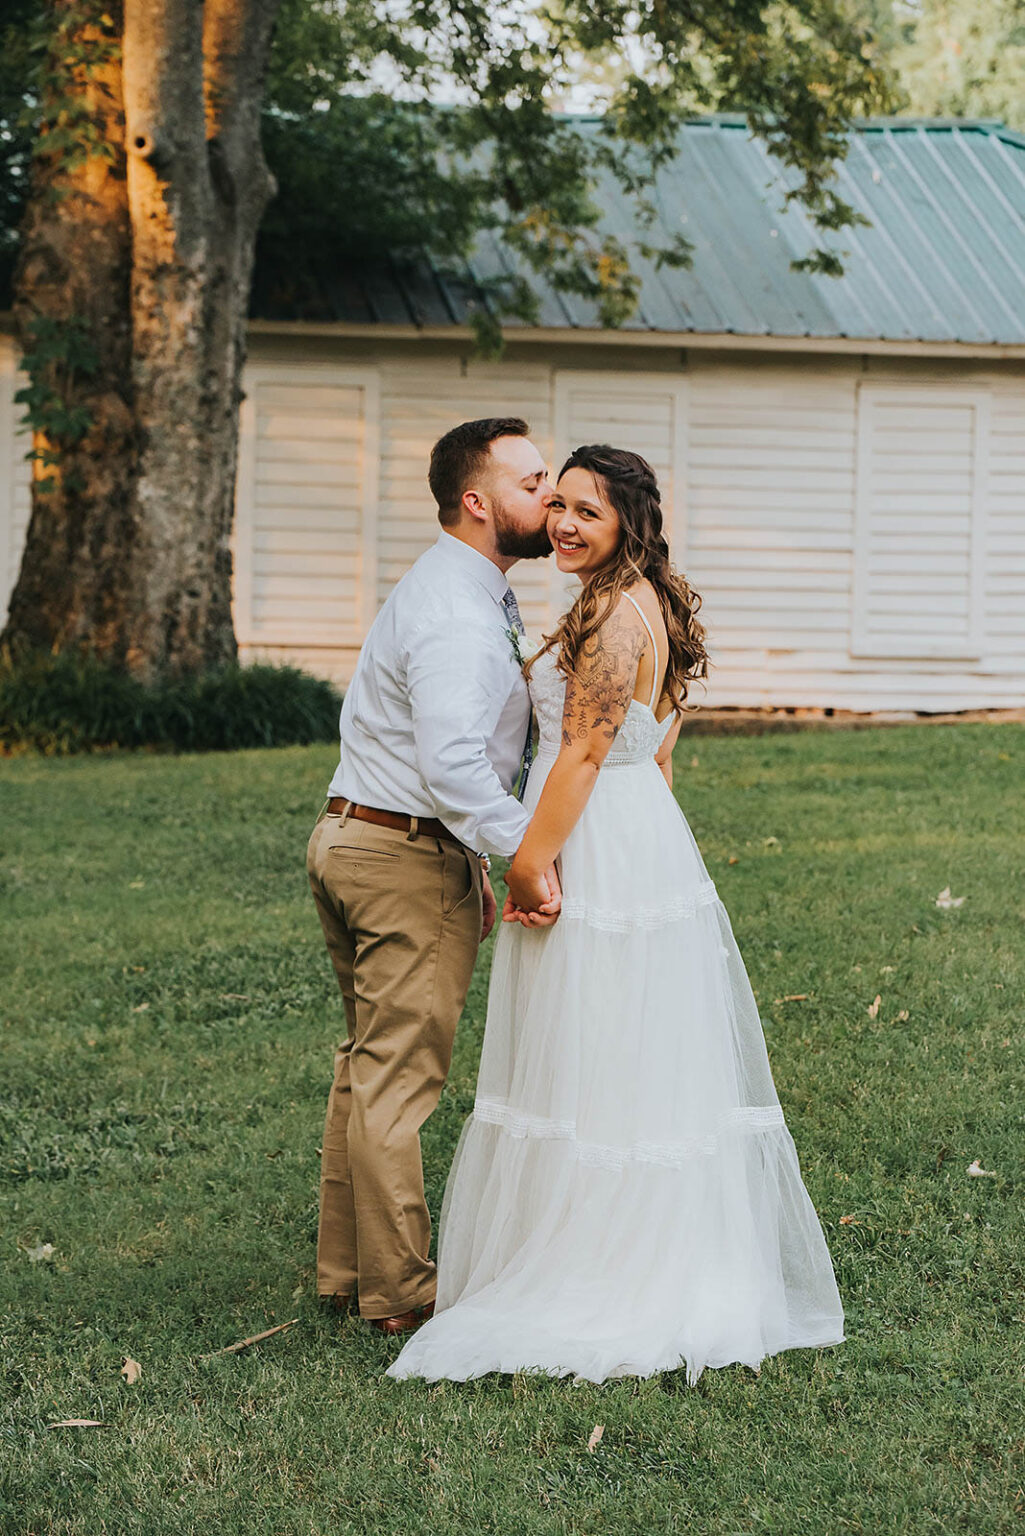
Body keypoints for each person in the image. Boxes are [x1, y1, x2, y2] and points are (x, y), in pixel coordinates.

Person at [388, 444, 845, 1385]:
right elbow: (661, 752)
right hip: (642, 834)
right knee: (628, 1048)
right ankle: (628, 1242)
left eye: (584, 513)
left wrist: (529, 863)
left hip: (596, 833)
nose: (561, 523)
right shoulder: (650, 602)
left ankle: (599, 1263)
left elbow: (584, 755)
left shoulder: (609, 618)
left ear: (627, 522)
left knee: (593, 1048)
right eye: (555, 505)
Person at [306, 417, 561, 1336]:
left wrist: (465, 857)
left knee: (367, 1068)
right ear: (477, 501)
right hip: (397, 854)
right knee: (397, 1079)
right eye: (534, 482)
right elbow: (454, 765)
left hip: (364, 836)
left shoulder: (461, 587)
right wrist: (520, 855)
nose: (553, 497)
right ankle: (403, 1295)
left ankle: (348, 1274)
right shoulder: (456, 609)